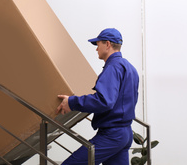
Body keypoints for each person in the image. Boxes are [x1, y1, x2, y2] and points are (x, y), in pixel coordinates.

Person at [56, 28, 139, 164]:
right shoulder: (129, 68)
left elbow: (104, 101)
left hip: (112, 134)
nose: (96, 49)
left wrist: (72, 102)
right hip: (125, 133)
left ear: (107, 44)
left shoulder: (113, 67)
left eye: (98, 44)